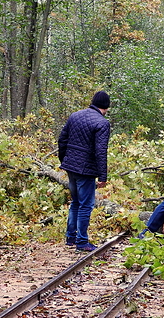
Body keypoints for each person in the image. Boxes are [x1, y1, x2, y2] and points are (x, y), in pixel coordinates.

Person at [58, 91, 111, 251]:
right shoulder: (102, 123)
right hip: (86, 170)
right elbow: (100, 151)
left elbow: (62, 140)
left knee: (75, 202)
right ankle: (82, 242)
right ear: (106, 107)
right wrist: (103, 176)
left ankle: (70, 238)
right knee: (86, 205)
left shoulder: (75, 115)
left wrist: (64, 160)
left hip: (71, 166)